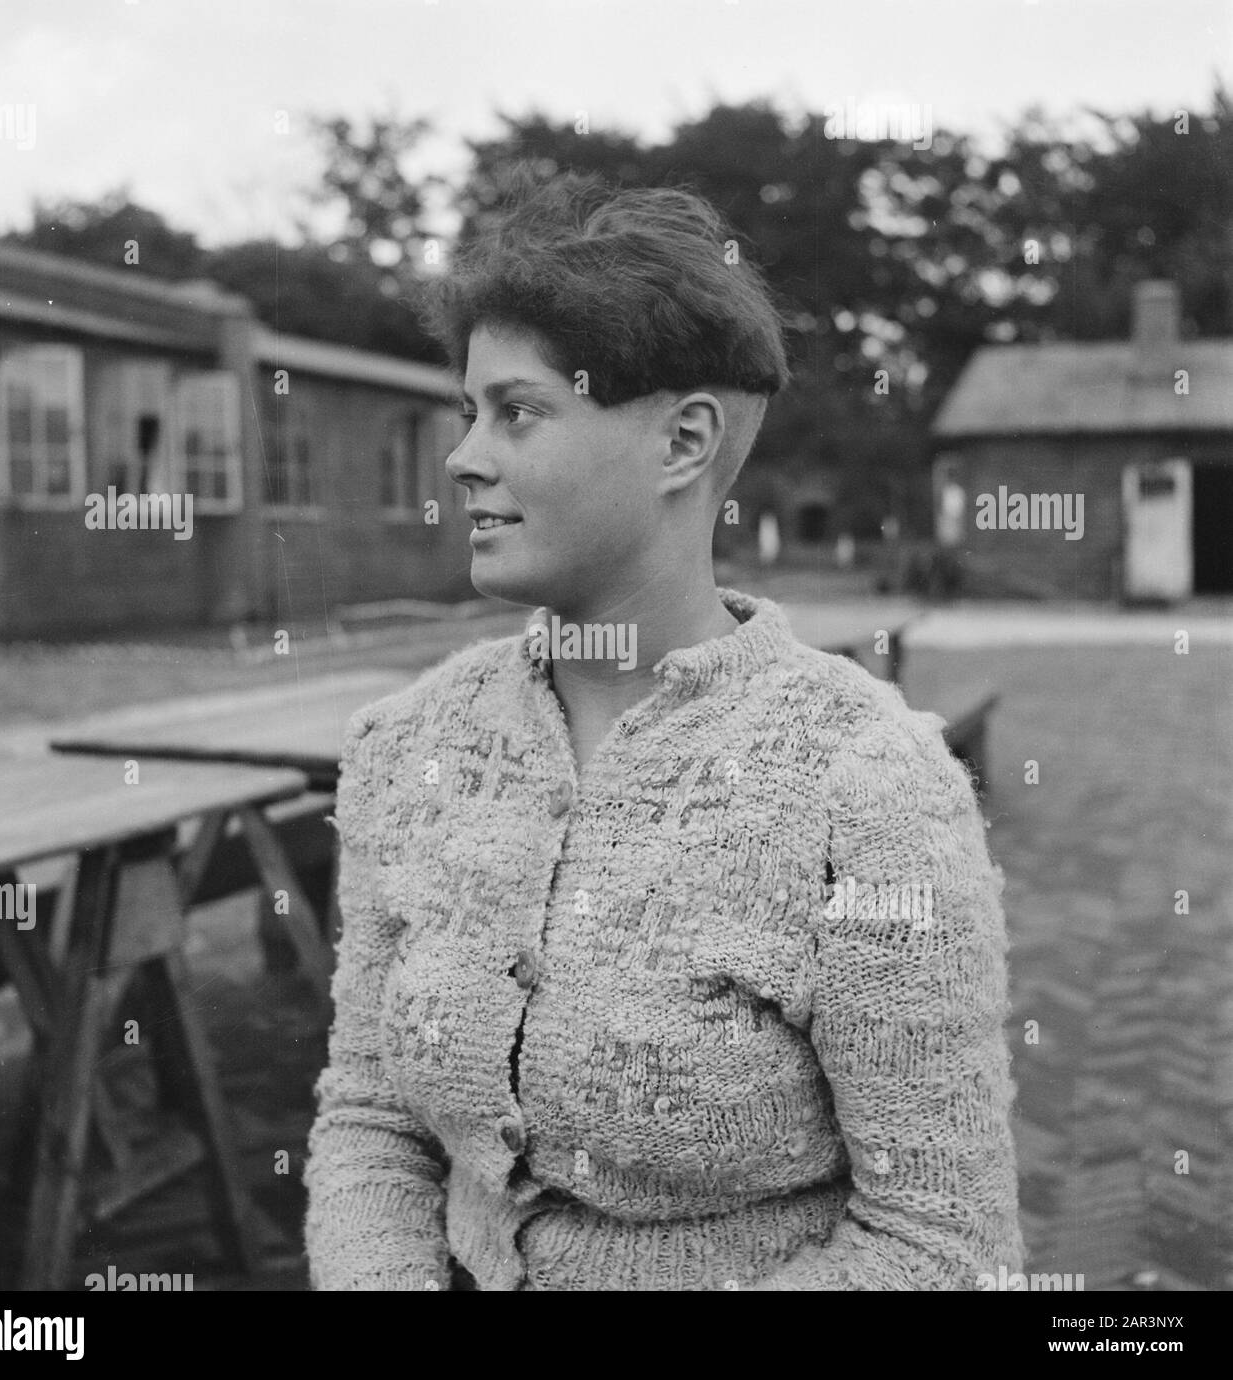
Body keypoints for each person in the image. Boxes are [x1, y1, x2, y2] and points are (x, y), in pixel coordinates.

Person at [303, 170, 1023, 1291]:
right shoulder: (407, 747)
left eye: (519, 411)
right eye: (466, 413)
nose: (462, 457)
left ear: (683, 442)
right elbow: (373, 1119)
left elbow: (940, 1244)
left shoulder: (864, 785)